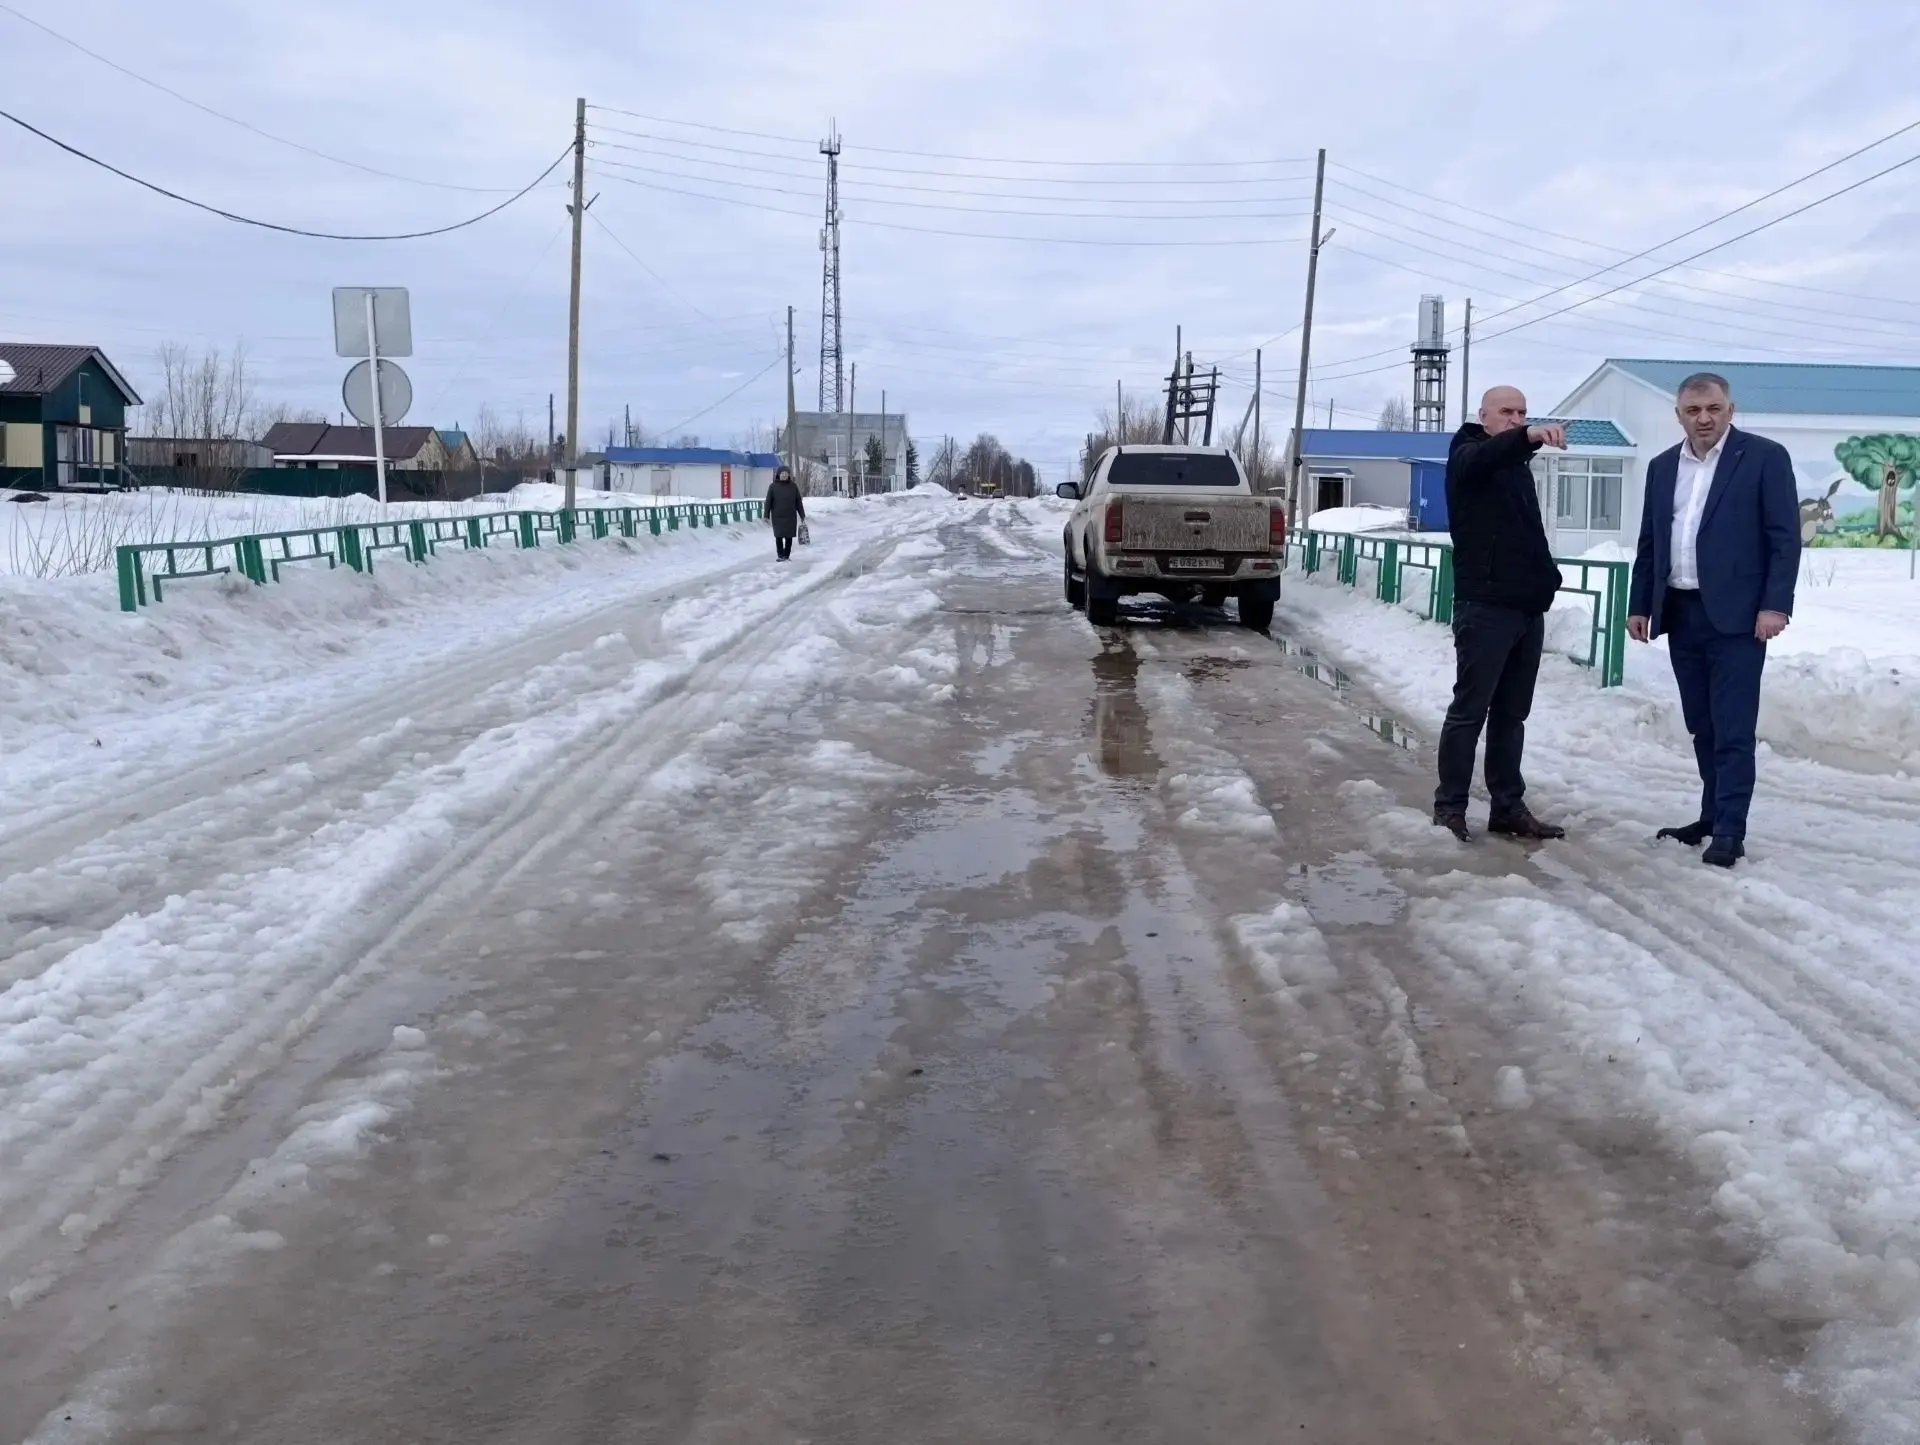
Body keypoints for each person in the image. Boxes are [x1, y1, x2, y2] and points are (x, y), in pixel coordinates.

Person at [1628, 372, 1799, 868]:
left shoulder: (1764, 458)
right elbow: (1650, 540)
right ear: (1679, 415)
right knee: (1702, 725)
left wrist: (1775, 605)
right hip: (1682, 613)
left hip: (1740, 619)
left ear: (1730, 410)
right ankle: (1710, 815)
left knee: (1733, 728)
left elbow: (1784, 538)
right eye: (1693, 411)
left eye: (1714, 409)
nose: (1704, 419)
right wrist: (1640, 604)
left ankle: (1730, 829)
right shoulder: (1663, 466)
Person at [1433, 386, 1568, 843]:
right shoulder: (1467, 455)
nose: (1516, 419)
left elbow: (1526, 531)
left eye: (1522, 413)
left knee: (1512, 715)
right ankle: (1450, 808)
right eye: (1506, 411)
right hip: (1485, 607)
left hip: (1526, 606)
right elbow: (1485, 458)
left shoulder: (1516, 467)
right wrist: (1529, 436)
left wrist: (1547, 578)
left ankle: (1508, 807)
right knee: (1469, 711)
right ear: (1483, 416)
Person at [765, 466, 806, 562]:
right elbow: (768, 501)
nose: (784, 475)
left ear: (788, 475)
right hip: (777, 516)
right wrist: (766, 515)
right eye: (782, 473)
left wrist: (802, 515)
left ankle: (786, 555)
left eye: (786, 473)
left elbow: (798, 501)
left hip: (790, 516)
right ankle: (780, 555)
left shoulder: (793, 486)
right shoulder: (773, 487)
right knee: (778, 536)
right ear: (778, 475)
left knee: (789, 537)